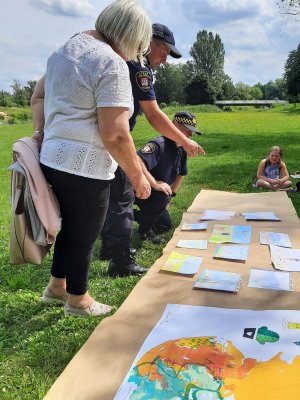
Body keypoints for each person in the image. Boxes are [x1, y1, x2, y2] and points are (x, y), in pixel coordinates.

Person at [31, 0, 152, 317]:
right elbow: (115, 134)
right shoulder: (110, 63)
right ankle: (78, 300)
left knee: (69, 228)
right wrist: (138, 176)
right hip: (85, 165)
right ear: (128, 34)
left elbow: (38, 95)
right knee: (84, 234)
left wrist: (42, 132)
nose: (133, 54)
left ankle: (56, 287)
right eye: (137, 45)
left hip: (53, 158)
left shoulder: (63, 50)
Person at [100, 23, 205, 277]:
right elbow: (154, 114)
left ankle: (111, 248)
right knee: (122, 196)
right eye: (165, 52)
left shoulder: (123, 60)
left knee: (111, 198)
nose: (165, 60)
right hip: (114, 139)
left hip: (103, 138)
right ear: (151, 43)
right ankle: (120, 260)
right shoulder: (138, 66)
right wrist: (185, 140)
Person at [134, 111, 203, 240]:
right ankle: (144, 232)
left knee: (164, 225)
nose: (190, 134)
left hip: (155, 194)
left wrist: (172, 195)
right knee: (162, 196)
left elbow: (181, 174)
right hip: (137, 189)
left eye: (192, 131)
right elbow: (138, 160)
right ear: (175, 125)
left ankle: (131, 215)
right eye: (187, 130)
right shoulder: (159, 144)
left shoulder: (181, 149)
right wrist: (155, 183)